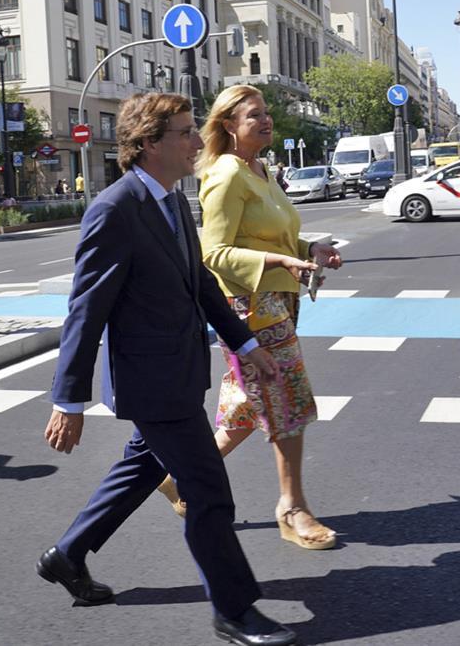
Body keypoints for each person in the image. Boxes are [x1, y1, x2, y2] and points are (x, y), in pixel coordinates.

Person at [39, 92, 299, 646]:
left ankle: (68, 555)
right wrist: (69, 400)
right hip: (151, 384)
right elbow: (87, 309)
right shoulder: (114, 209)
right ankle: (235, 611)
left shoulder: (175, 201)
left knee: (140, 468)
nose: (195, 141)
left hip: (179, 373)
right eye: (184, 132)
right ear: (149, 144)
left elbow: (201, 284)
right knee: (208, 492)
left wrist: (246, 346)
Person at [155, 84, 343, 551]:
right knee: (289, 403)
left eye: (266, 113)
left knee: (245, 410)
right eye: (254, 115)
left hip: (277, 303)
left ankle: (176, 479)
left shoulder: (261, 170)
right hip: (250, 310)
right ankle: (292, 507)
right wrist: (281, 264)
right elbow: (213, 253)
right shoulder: (224, 174)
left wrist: (307, 250)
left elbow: (273, 238)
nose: (266, 120)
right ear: (228, 126)